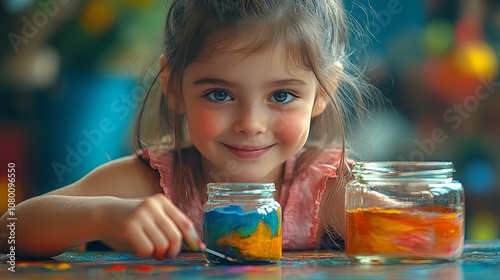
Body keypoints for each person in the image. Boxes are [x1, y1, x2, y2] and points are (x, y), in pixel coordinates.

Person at [0, 0, 377, 259]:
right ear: (174, 87)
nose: (251, 124)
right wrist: (106, 214)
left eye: (281, 95)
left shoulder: (330, 192)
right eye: (219, 94)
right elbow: (10, 230)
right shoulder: (155, 184)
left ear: (323, 91)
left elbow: (426, 239)